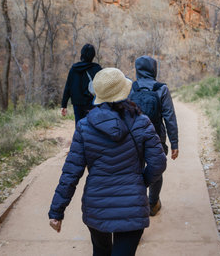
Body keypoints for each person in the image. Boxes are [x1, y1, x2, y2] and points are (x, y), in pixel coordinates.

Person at [49, 68, 167, 256]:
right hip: (132, 207)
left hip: (97, 207)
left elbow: (71, 172)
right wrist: (140, 182)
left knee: (101, 252)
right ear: (125, 91)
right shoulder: (142, 122)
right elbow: (159, 163)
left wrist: (57, 211)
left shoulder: (84, 126)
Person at [129, 55, 179, 216]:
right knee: (156, 169)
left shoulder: (131, 87)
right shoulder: (161, 88)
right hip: (157, 136)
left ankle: (137, 204)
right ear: (154, 69)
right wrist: (175, 143)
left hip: (134, 138)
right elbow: (169, 117)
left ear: (137, 70)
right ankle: (152, 204)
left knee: (136, 170)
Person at [61, 44, 102, 125]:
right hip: (93, 103)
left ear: (82, 54)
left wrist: (64, 105)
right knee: (93, 127)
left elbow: (68, 87)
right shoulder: (97, 68)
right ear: (93, 55)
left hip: (77, 104)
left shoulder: (74, 68)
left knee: (79, 126)